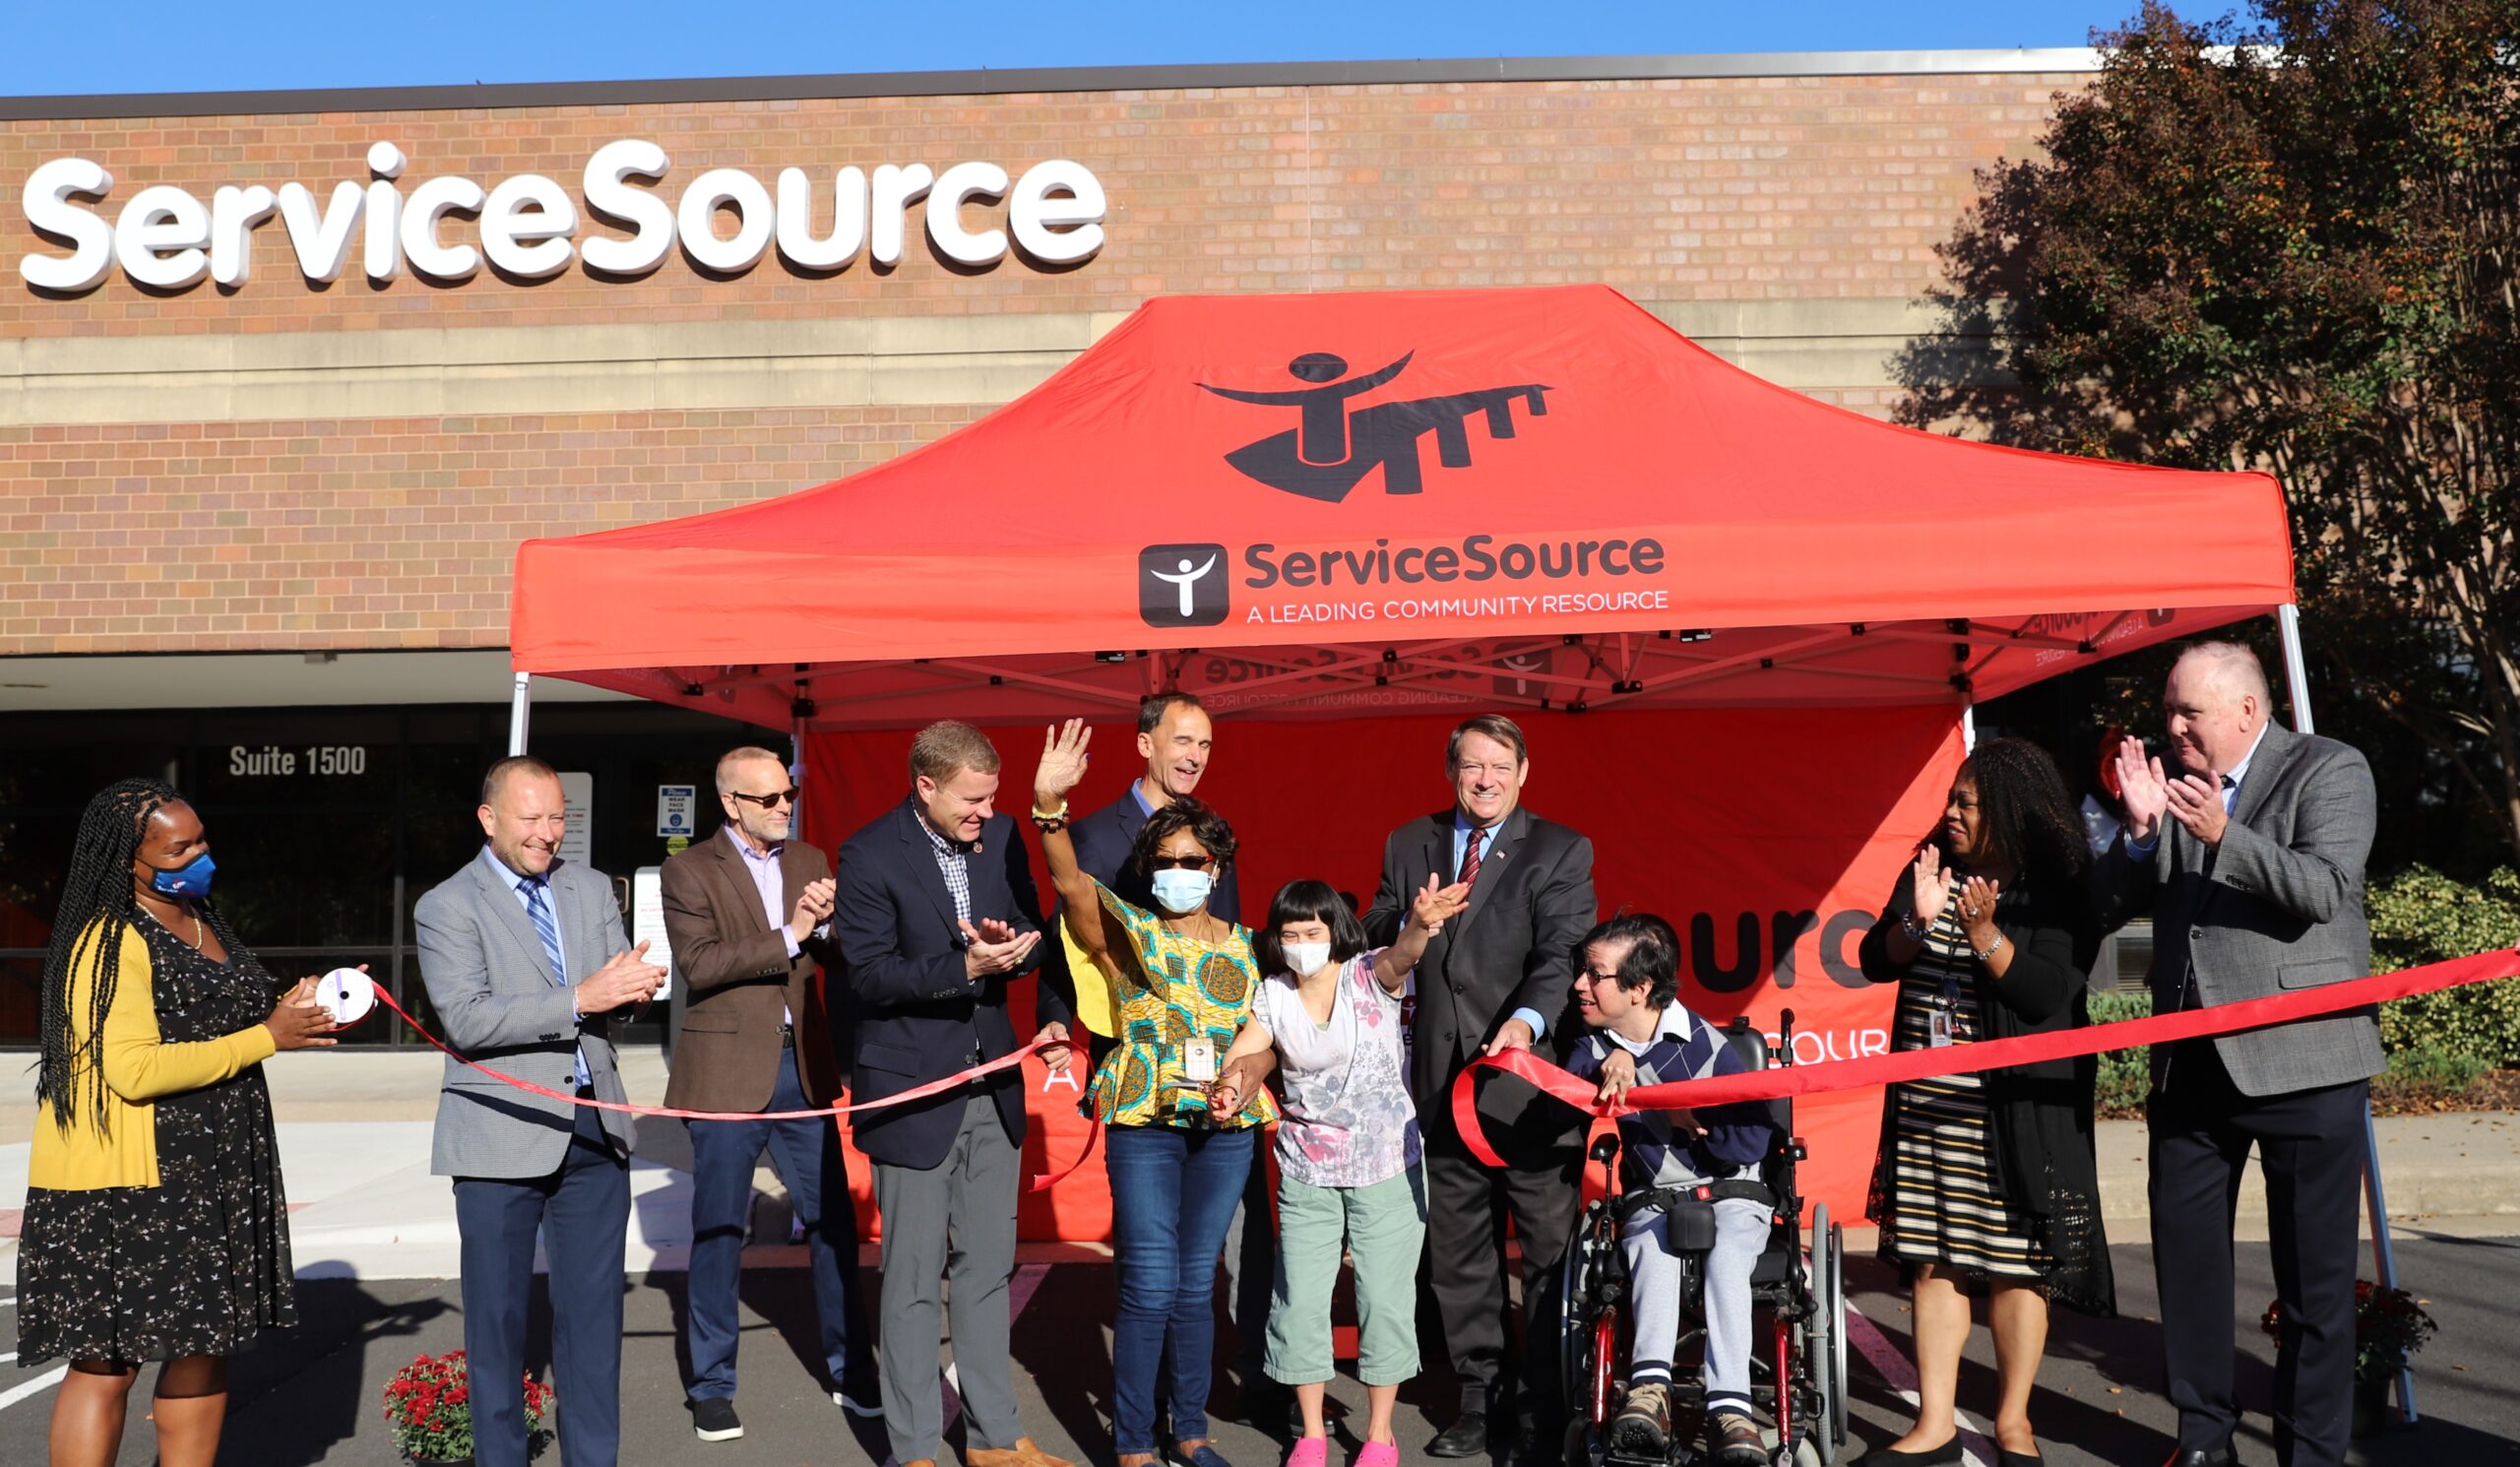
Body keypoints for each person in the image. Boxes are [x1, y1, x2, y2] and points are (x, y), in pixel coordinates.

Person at [2096, 642, 2381, 1467]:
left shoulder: (2329, 768)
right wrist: (2144, 834)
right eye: (2169, 712)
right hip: (2190, 1064)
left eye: (2191, 712)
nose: (2173, 727)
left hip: (2307, 1062)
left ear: (2247, 712)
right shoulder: (2172, 786)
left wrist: (2222, 832)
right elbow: (2110, 908)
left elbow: (2323, 889)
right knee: (2187, 1278)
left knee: (2314, 1291)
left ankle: (2311, 1453)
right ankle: (2203, 1444)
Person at [19, 779, 338, 1467]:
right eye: (179, 846)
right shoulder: (103, 942)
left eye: (201, 839)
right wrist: (267, 1038)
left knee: (202, 1345)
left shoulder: (198, 914)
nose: (200, 854)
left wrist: (301, 1006)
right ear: (128, 859)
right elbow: (132, 1071)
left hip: (209, 1169)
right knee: (109, 1363)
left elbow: (218, 1015)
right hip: (128, 1182)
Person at [1856, 737, 2115, 1467]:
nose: (1951, 813)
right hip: (1931, 1106)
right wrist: (1917, 919)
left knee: (2014, 1262)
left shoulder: (2059, 882)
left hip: (2016, 1108)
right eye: (1952, 800)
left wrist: (1984, 935)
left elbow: (2045, 994)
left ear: (2008, 808)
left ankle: (2013, 1424)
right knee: (1934, 1259)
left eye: (1966, 803)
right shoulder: (1935, 860)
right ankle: (1935, 1424)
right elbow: (1876, 960)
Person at [832, 720, 1075, 1467]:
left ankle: (995, 1437)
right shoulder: (869, 853)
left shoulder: (1000, 837)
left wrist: (1018, 944)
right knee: (910, 1281)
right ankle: (912, 1448)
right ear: (925, 786)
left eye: (992, 797)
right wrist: (965, 966)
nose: (984, 812)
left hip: (993, 1083)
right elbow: (867, 975)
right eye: (971, 800)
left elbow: (1035, 923)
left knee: (985, 1270)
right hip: (913, 1092)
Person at [415, 755, 665, 1467]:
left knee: (594, 1327)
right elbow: (467, 1020)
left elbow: (610, 983)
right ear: (489, 819)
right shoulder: (446, 904)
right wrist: (585, 997)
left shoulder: (589, 889)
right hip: (499, 1135)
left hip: (594, 1127)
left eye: (558, 817)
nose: (548, 832)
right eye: (531, 818)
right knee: (497, 1329)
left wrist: (634, 987)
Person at [1032, 717, 1269, 1467]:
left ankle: (1190, 1432)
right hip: (1144, 1122)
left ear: (1218, 867)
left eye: (1192, 860)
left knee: (1197, 1286)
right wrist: (1049, 808)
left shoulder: (1250, 945)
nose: (1178, 871)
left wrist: (1245, 1076)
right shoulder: (1124, 929)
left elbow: (1264, 1044)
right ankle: (1134, 1443)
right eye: (1163, 860)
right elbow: (1069, 880)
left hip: (1226, 1132)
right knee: (1147, 1283)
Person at [1361, 712, 1598, 1460]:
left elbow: (1562, 953)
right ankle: (1477, 1399)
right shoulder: (1410, 842)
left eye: (1499, 766)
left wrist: (1527, 1023)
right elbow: (1373, 932)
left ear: (1523, 773)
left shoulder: (1560, 849)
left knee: (1548, 1249)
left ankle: (1545, 1400)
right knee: (1459, 1253)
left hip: (1528, 1087)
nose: (1485, 779)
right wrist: (1412, 920)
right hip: (1439, 1087)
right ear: (1451, 773)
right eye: (1471, 766)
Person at [1210, 875, 1464, 1467]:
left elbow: (1402, 958)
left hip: (1385, 1166)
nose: (1300, 942)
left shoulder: (1365, 974)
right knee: (1299, 1300)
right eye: (1289, 933)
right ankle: (1311, 1433)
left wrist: (1421, 926)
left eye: (1312, 931)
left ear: (1335, 932)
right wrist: (1231, 1084)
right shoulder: (1272, 992)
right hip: (1305, 1169)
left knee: (1384, 1299)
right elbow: (1249, 1049)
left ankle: (1379, 1433)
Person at [660, 746, 876, 1441]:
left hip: (803, 1070)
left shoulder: (809, 860)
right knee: (720, 1231)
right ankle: (713, 1386)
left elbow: (840, 956)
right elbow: (699, 963)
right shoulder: (688, 869)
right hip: (725, 1072)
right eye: (770, 799)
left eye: (789, 795)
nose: (785, 807)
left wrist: (836, 925)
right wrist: (794, 932)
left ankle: (852, 1369)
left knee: (833, 1226)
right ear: (731, 804)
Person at [1564, 914, 1779, 1467]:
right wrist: (1614, 1061)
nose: (1579, 985)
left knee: (1728, 1256)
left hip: (1730, 1190)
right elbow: (1570, 1089)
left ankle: (1731, 1409)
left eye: (1594, 975)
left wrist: (1692, 1112)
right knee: (1651, 1250)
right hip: (1656, 1198)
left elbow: (1750, 1143)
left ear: (1639, 989)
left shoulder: (1710, 1046)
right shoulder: (1590, 1044)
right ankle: (1648, 1394)